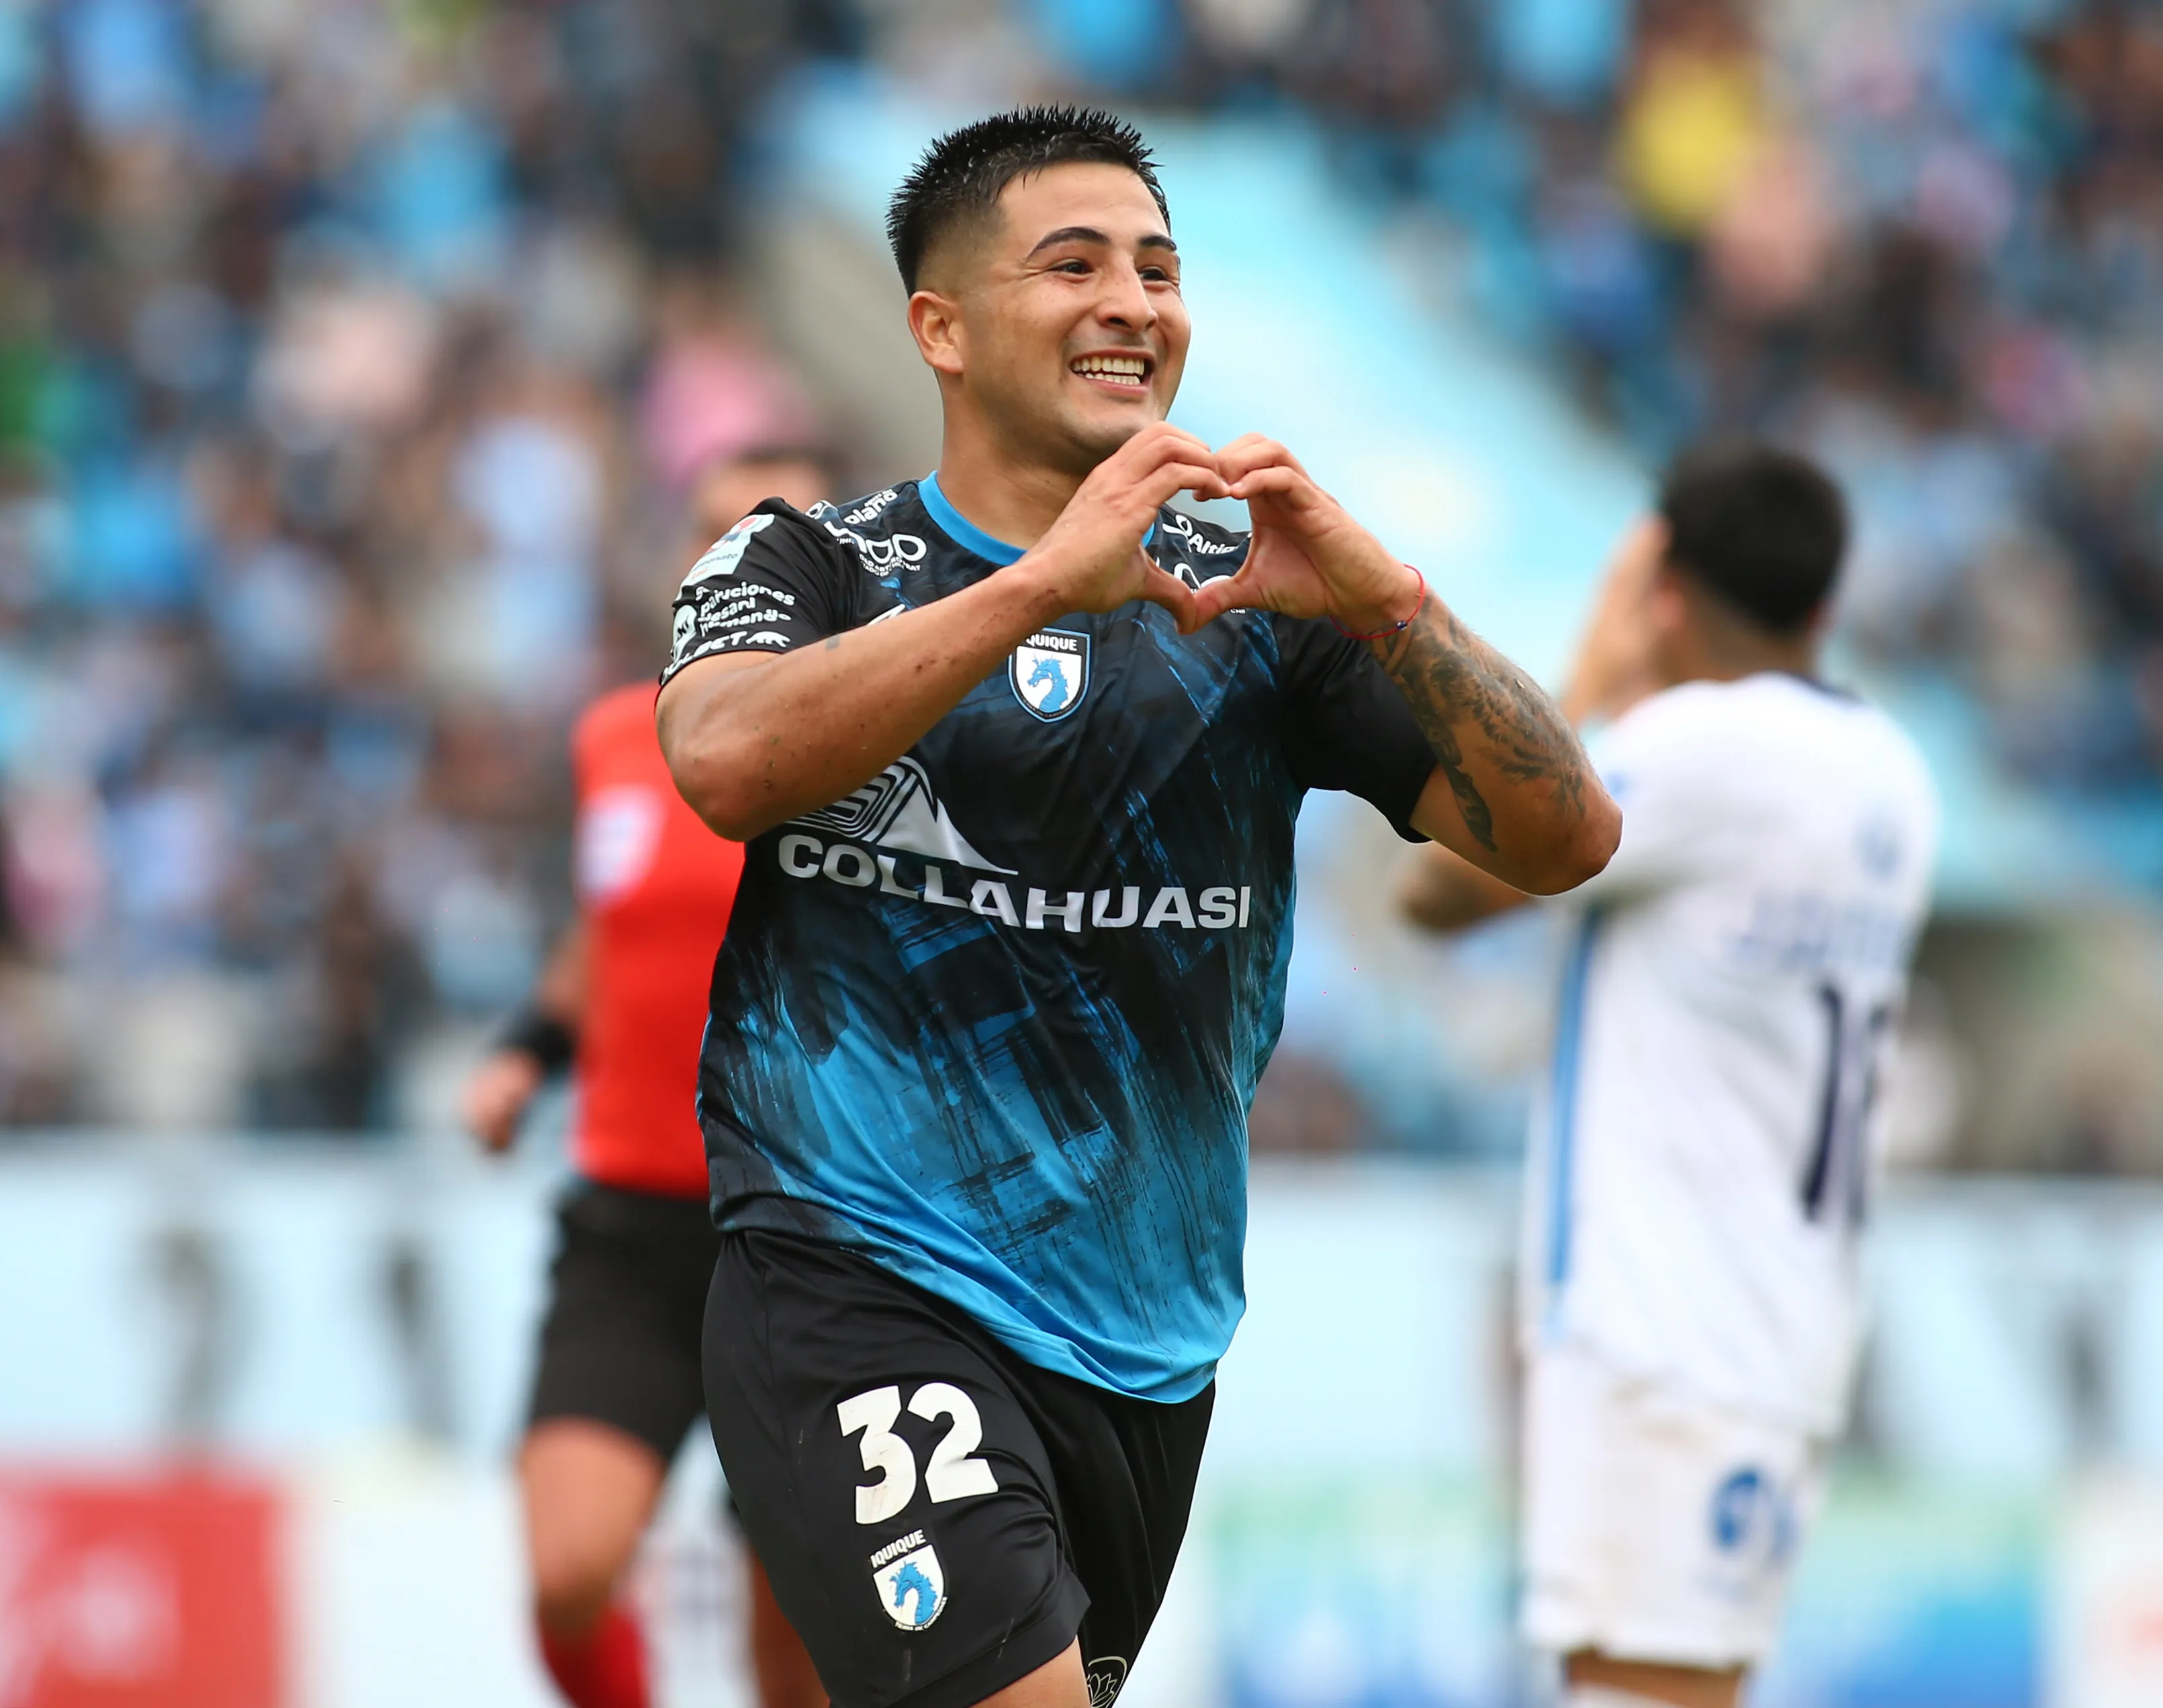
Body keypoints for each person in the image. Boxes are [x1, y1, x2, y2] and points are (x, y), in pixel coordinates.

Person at [653, 106, 1617, 1708]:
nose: (1133, 303)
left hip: (1144, 1347)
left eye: (1159, 271)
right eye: (1076, 265)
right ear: (941, 329)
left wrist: (1395, 606)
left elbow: (1565, 836)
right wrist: (1043, 582)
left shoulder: (1251, 602)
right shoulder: (808, 559)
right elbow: (725, 763)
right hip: (855, 1278)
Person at [1399, 443, 1939, 1708]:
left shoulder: (1697, 748)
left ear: (1666, 589)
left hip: (1664, 1327)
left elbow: (1435, 891)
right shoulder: (1891, 772)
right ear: (1825, 602)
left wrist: (1592, 674)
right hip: (1783, 1316)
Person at [461, 446, 838, 1708]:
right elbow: (603, 932)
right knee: (568, 1572)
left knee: (795, 1644)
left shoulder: (883, 744)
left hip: (813, 1234)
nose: (742, 558)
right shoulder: (617, 738)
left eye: (778, 532)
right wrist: (528, 1051)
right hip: (632, 1224)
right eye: (715, 531)